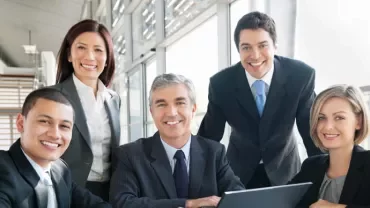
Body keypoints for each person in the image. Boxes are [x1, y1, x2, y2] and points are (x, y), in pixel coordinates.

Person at [197, 11, 321, 188]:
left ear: (275, 46)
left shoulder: (300, 76)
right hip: (239, 173)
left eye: (263, 45)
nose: (255, 55)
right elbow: (208, 139)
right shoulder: (221, 84)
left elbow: (311, 134)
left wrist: (321, 181)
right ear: (238, 50)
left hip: (285, 170)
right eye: (246, 47)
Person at [110, 73, 244, 208]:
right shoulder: (130, 155)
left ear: (193, 109)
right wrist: (188, 204)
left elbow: (239, 197)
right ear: (152, 112)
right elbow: (123, 203)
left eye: (180, 103)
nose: (172, 112)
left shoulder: (215, 152)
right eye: (162, 104)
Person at [0, 87, 111, 208]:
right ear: (21, 123)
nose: (55, 134)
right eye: (44, 121)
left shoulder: (60, 169)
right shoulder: (4, 170)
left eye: (64, 126)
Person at [50, 19, 121, 201]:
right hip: (68, 190)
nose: (90, 57)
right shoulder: (52, 96)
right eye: (81, 48)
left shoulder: (113, 99)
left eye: (98, 50)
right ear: (69, 54)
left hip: (110, 191)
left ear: (107, 58)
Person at [289, 85, 370, 207]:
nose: (327, 127)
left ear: (358, 121)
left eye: (339, 117)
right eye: (321, 118)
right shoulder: (310, 167)